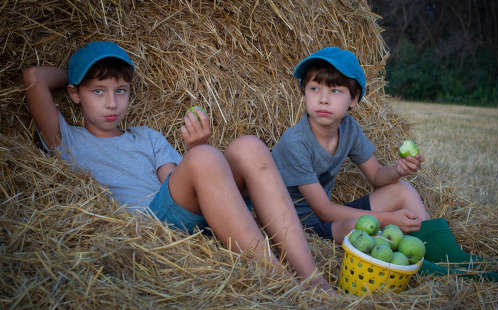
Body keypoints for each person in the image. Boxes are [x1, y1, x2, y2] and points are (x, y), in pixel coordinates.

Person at [22, 41, 331, 290]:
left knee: (248, 145)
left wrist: (197, 152)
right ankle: (280, 282)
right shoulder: (67, 140)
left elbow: (175, 181)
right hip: (145, 228)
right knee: (205, 157)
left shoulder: (146, 137)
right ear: (75, 94)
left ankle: (313, 281)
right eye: (97, 91)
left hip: (177, 213)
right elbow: (33, 78)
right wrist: (76, 73)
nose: (111, 103)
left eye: (120, 91)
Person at [271, 46, 498, 281]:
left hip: (323, 218)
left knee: (401, 190)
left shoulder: (349, 129)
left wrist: (398, 170)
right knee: (354, 226)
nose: (322, 98)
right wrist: (390, 219)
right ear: (303, 92)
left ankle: (447, 255)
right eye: (314, 88)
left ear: (353, 99)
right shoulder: (295, 142)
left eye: (334, 91)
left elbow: (376, 176)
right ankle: (421, 268)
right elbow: (324, 210)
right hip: (298, 227)